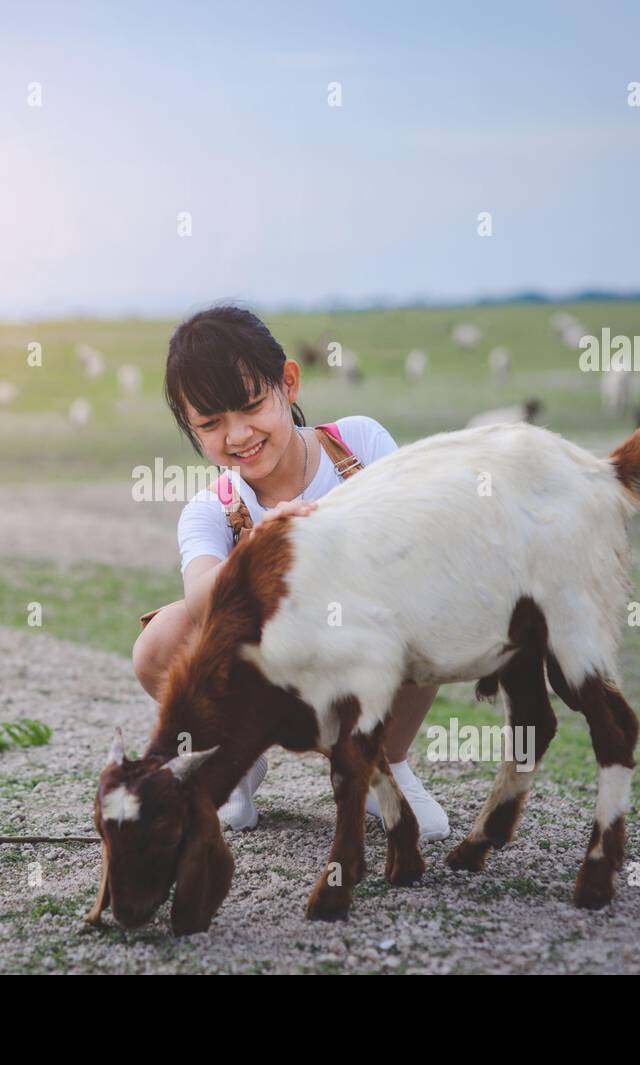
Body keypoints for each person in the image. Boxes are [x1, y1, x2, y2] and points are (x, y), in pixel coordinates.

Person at [132, 304, 449, 838]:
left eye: (251, 406)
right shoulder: (211, 510)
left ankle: (383, 761)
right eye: (210, 423)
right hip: (272, 672)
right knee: (162, 640)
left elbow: (418, 535)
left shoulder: (360, 444)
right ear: (191, 427)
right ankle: (232, 756)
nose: (237, 436)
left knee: (431, 604)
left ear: (289, 382)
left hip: (362, 650)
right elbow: (200, 600)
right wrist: (258, 549)